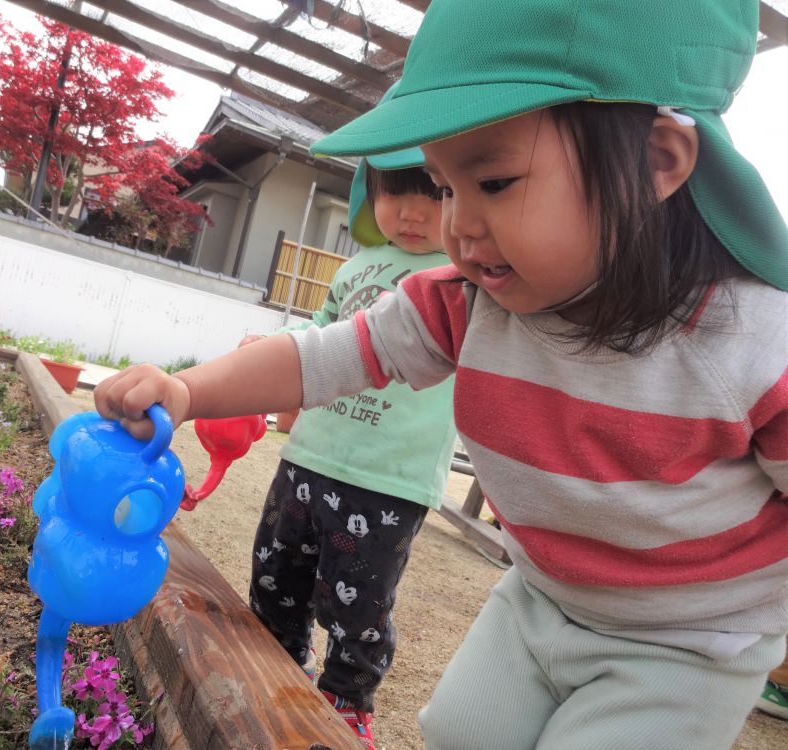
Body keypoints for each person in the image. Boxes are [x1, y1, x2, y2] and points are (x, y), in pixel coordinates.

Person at [94, 1, 788, 748]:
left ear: (657, 163)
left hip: (688, 641)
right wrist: (190, 391)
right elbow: (322, 356)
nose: (457, 224)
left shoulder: (752, 344)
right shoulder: (468, 304)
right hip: (538, 598)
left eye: (492, 182)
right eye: (443, 184)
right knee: (457, 732)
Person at [236, 147, 455, 749]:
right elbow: (319, 332)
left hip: (387, 478)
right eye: (393, 192)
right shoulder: (355, 266)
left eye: (433, 193)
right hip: (308, 456)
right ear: (368, 196)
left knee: (358, 606)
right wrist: (270, 347)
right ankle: (275, 670)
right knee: (276, 578)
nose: (411, 211)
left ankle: (345, 704)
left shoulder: (464, 278)